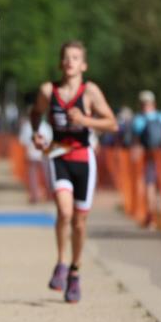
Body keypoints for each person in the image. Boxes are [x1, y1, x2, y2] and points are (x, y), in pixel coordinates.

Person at [29, 40, 117, 303]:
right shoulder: (48, 90)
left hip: (84, 158)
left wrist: (85, 120)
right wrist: (36, 133)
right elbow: (35, 113)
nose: (70, 62)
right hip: (57, 154)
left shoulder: (90, 91)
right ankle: (61, 263)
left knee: (79, 221)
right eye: (66, 57)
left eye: (75, 58)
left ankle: (75, 272)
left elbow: (111, 123)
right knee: (64, 212)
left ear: (84, 65)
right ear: (60, 63)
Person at [131, 90, 161, 228]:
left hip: (149, 156)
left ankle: (152, 217)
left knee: (150, 185)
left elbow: (136, 140)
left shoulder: (139, 120)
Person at [18, 94, 53, 204]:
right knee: (40, 176)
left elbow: (23, 141)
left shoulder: (33, 126)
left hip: (40, 155)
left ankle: (42, 194)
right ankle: (41, 195)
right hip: (38, 155)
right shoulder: (42, 126)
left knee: (39, 176)